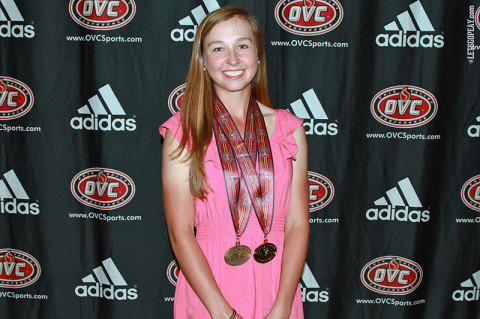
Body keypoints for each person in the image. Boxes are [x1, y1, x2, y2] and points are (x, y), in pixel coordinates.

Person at [160, 6, 309, 319]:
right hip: (210, 288)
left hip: (278, 287)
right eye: (218, 49)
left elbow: (297, 224)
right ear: (203, 61)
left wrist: (282, 307)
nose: (232, 60)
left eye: (242, 46)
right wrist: (224, 314)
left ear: (257, 55)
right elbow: (180, 232)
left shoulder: (289, 129)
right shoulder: (183, 132)